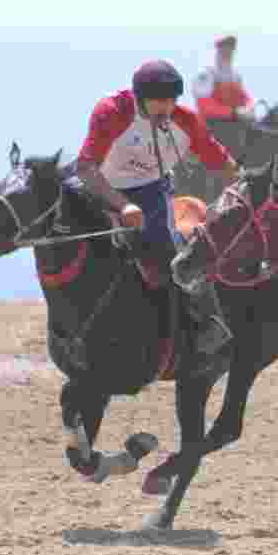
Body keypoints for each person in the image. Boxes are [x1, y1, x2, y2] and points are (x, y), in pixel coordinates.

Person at [73, 59, 240, 356]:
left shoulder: (185, 121)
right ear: (139, 97)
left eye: (171, 100)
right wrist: (122, 206)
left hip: (150, 192)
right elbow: (85, 168)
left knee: (175, 255)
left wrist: (246, 186)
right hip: (101, 188)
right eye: (159, 101)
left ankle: (207, 325)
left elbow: (221, 162)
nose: (166, 107)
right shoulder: (111, 113)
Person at [193, 34, 255, 162]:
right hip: (212, 127)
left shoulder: (235, 75)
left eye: (231, 49)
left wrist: (249, 108)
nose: (228, 52)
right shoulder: (206, 73)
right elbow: (205, 106)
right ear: (218, 49)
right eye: (225, 48)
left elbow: (245, 98)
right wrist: (234, 112)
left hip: (234, 123)